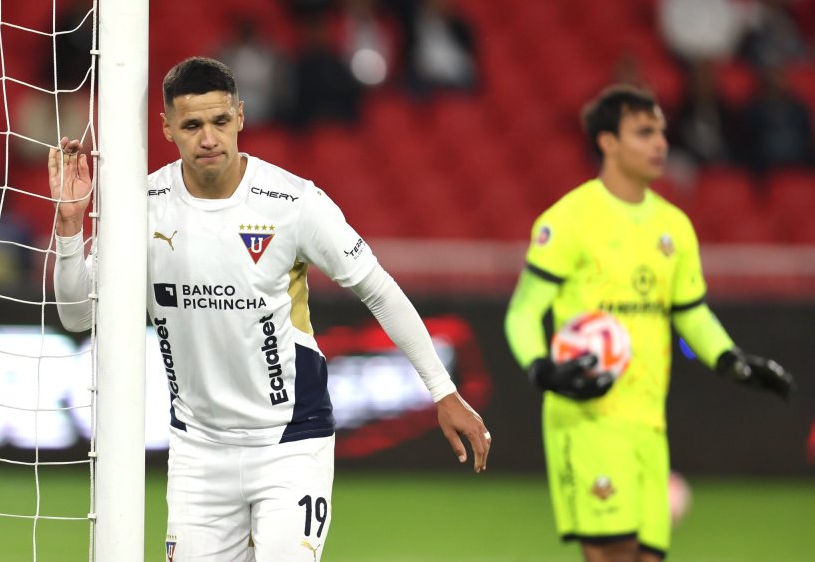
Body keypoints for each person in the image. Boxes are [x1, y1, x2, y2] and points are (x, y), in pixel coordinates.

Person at [50, 57, 491, 561]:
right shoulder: (142, 206)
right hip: (197, 450)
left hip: (290, 444)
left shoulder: (292, 203)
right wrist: (68, 226)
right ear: (167, 128)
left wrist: (444, 390)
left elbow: (379, 290)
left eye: (219, 121)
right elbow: (79, 317)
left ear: (240, 115)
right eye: (192, 125)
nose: (208, 138)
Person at [504, 85, 793, 562]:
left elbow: (691, 312)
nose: (660, 142)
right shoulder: (569, 220)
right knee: (614, 555)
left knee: (647, 558)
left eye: (661, 131)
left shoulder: (674, 227)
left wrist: (733, 361)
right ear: (608, 143)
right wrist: (543, 369)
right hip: (588, 417)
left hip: (649, 422)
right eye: (643, 132)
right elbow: (523, 312)